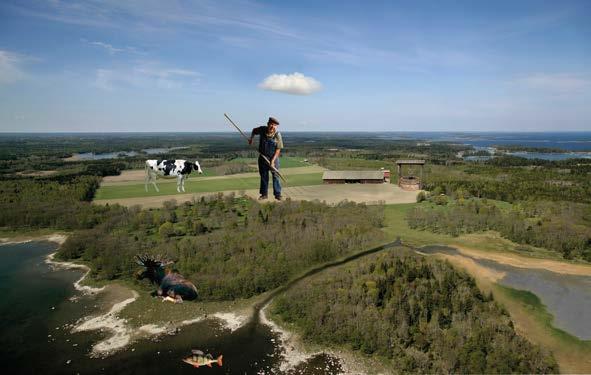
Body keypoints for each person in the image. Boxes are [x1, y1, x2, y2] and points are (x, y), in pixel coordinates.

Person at [248, 117, 283, 200]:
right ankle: (264, 194)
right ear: (268, 124)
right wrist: (251, 138)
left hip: (274, 158)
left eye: (274, 125)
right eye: (271, 124)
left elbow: (278, 150)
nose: (272, 126)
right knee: (264, 176)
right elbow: (254, 130)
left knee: (275, 175)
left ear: (276, 127)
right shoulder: (262, 129)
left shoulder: (277, 135)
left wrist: (273, 161)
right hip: (263, 157)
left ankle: (277, 194)